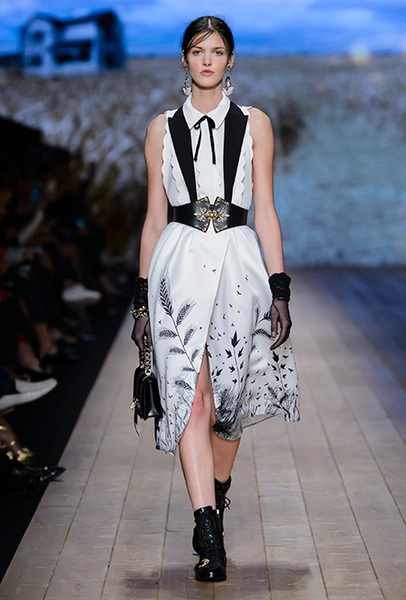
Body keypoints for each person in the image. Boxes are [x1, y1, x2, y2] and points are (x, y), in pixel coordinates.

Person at [131, 15, 300, 582]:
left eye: (218, 51)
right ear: (184, 59)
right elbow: (154, 218)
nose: (208, 60)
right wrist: (141, 300)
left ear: (231, 60)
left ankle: (216, 496)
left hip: (238, 266)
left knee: (230, 404)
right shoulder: (161, 129)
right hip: (177, 266)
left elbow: (266, 209)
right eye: (198, 51)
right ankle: (208, 534)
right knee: (192, 397)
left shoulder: (255, 124)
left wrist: (279, 286)